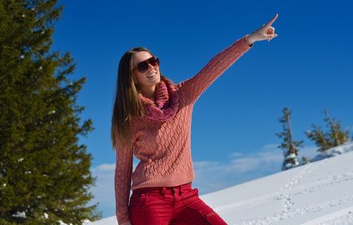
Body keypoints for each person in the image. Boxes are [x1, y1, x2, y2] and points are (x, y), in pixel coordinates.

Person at [112, 14, 279, 225]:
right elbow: (122, 172)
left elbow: (213, 69)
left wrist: (249, 40)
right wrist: (123, 219)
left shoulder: (184, 94)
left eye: (153, 61)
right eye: (143, 66)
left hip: (186, 197)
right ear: (131, 76)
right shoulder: (129, 118)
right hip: (149, 201)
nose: (151, 67)